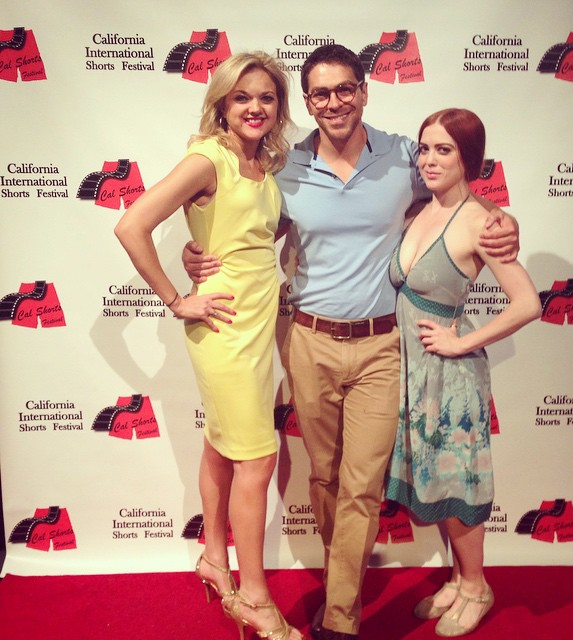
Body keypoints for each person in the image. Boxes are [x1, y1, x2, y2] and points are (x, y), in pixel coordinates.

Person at [183, 45, 520, 640]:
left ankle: (341, 618)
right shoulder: (283, 164)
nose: (333, 102)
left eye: (345, 89)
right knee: (325, 478)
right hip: (306, 341)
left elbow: (456, 185)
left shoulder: (403, 156)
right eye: (319, 93)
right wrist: (196, 257)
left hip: (381, 347)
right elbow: (250, 228)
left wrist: (497, 217)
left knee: (362, 486)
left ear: (364, 91)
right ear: (306, 103)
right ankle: (337, 588)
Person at [114, 51, 304, 640]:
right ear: (222, 103)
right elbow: (131, 224)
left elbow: (251, 236)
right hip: (222, 325)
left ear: (278, 108)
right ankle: (253, 595)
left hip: (256, 322)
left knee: (224, 446)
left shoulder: (265, 167)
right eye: (242, 97)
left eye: (266, 98)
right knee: (258, 456)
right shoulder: (209, 158)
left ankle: (215, 560)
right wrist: (177, 297)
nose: (255, 107)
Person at [386, 108, 541, 637]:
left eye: (444, 150)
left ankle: (477, 585)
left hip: (450, 380)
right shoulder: (419, 209)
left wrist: (462, 341)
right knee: (437, 483)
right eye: (424, 148)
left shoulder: (481, 222)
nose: (429, 159)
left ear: (468, 159)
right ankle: (457, 576)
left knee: (461, 483)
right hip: (410, 370)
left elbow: (528, 303)